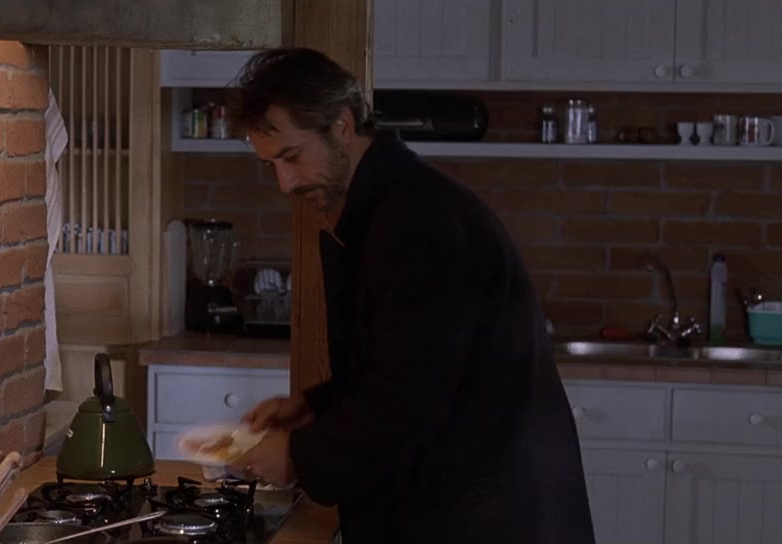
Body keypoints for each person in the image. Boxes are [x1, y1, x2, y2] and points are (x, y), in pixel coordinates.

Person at [225, 48, 596, 543]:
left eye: (292, 157)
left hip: (487, 514)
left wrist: (298, 454)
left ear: (342, 125)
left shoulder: (418, 222)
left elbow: (409, 395)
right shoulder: (393, 207)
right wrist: (317, 407)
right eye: (271, 164)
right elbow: (409, 359)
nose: (284, 183)